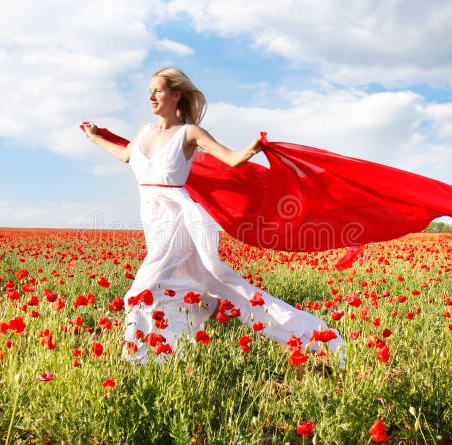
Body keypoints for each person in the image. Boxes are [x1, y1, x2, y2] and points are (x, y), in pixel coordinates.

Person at [81, 67, 343, 366]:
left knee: (140, 290)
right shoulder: (144, 132)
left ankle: (137, 359)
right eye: (150, 91)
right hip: (153, 220)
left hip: (178, 218)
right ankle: (171, 351)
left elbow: (230, 159)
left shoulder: (188, 133)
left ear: (176, 95)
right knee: (187, 286)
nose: (151, 95)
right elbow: (126, 155)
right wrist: (94, 138)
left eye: (158, 90)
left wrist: (252, 149)